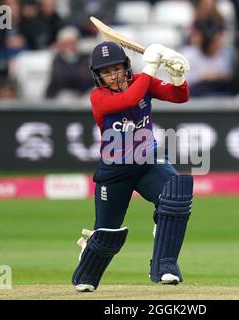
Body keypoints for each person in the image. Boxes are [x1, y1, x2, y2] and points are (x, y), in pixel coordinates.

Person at [71, 41, 193, 292]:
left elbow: (179, 97)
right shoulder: (99, 97)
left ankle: (165, 266)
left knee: (176, 194)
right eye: (106, 72)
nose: (112, 76)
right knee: (107, 235)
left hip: (148, 160)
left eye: (116, 69)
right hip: (115, 170)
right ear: (98, 77)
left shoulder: (141, 80)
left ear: (126, 68)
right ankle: (90, 251)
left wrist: (177, 74)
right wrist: (152, 65)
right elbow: (130, 98)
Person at [45, 26, 93, 99]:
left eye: (72, 43)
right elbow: (60, 80)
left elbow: (89, 78)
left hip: (85, 93)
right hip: (64, 94)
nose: (69, 47)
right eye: (66, 44)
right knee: (65, 97)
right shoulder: (57, 60)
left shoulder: (86, 58)